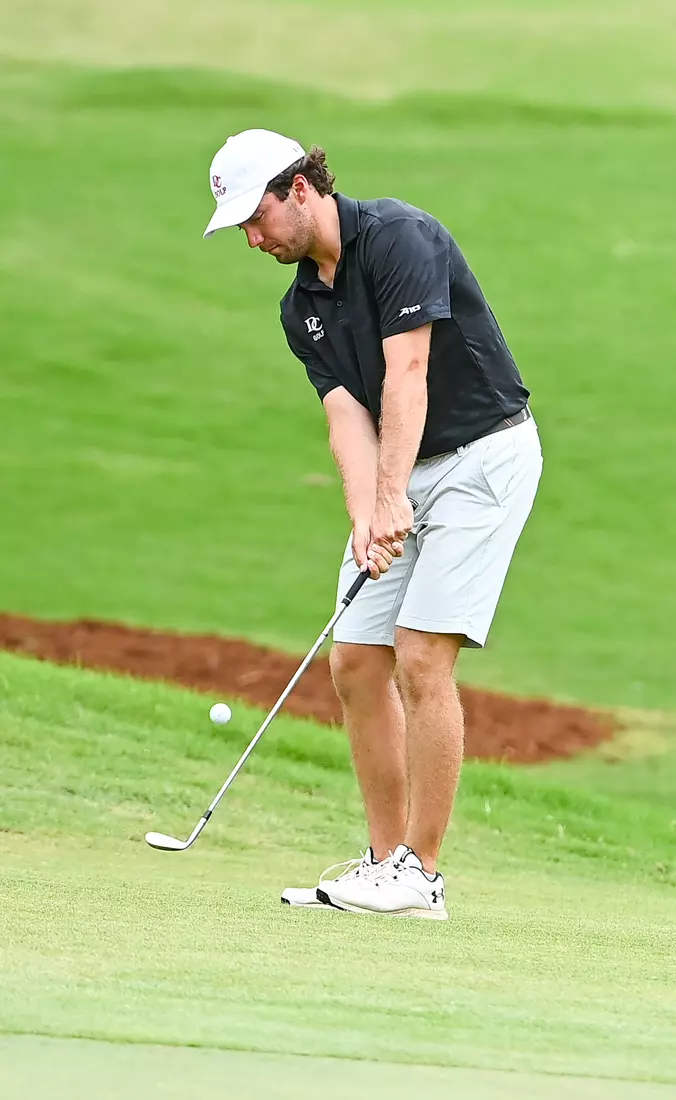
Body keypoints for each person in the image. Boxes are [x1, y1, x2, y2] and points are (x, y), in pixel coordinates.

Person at [203, 129, 543, 920]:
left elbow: (408, 374)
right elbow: (345, 418)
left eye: (255, 218)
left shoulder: (399, 237)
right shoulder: (301, 309)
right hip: (401, 467)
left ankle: (421, 873)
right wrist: (367, 513)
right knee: (356, 660)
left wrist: (394, 498)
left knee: (421, 658)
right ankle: (384, 860)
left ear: (298, 188)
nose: (252, 240)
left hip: (479, 458)